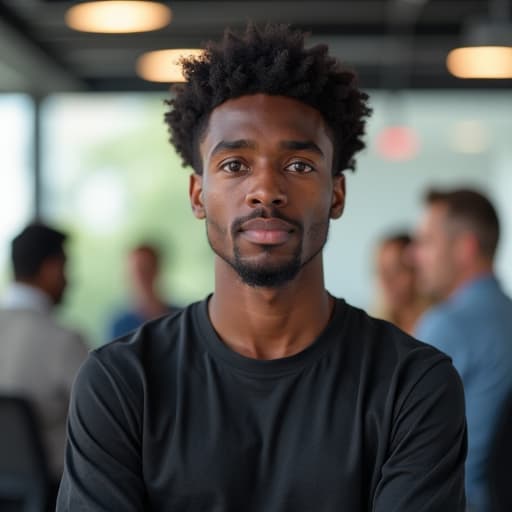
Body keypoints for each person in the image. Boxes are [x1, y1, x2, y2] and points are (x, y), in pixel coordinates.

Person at [57, 23, 466, 511]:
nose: (266, 189)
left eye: (299, 166)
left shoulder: (412, 384)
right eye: (234, 165)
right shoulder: (122, 382)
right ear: (198, 195)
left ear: (336, 194)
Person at [414, 188, 512, 512]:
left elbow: (405, 448)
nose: (414, 255)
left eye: (427, 241)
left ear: (465, 249)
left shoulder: (448, 325)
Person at [0, 223, 89, 489]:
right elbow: (104, 420)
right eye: (65, 268)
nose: (69, 280)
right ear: (51, 269)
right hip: (54, 493)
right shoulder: (64, 340)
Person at [108, 243, 179, 338]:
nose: (140, 277)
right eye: (135, 271)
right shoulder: (119, 325)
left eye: (145, 269)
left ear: (157, 270)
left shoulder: (181, 319)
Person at [374, 232, 428, 335]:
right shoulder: (375, 332)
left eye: (396, 270)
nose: (385, 281)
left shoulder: (440, 326)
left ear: (417, 271)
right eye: (381, 271)